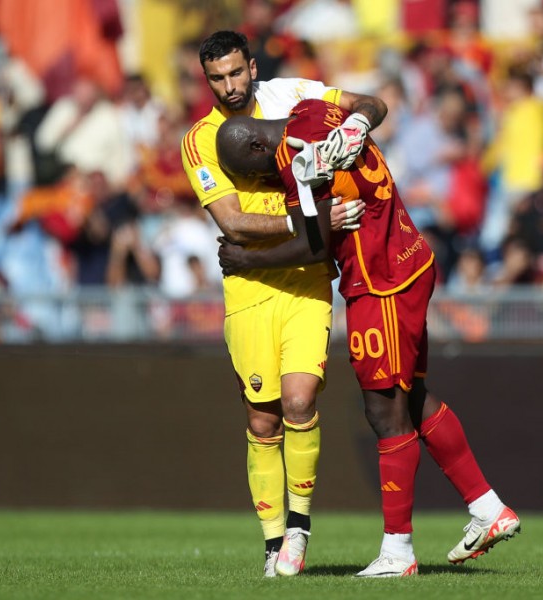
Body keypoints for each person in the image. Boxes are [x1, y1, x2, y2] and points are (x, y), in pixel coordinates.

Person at [215, 98, 520, 578]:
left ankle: (397, 552)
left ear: (257, 144)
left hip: (380, 281)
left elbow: (315, 248)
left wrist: (245, 259)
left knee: (383, 410)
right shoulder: (314, 109)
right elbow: (370, 104)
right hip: (411, 255)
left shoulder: (289, 163)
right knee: (411, 396)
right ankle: (488, 508)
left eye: (252, 172)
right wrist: (358, 120)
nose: (261, 181)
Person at [179, 30, 383, 578]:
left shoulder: (291, 97)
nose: (229, 86)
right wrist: (311, 221)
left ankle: (299, 529)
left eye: (236, 73)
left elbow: (368, 103)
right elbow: (233, 223)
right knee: (262, 419)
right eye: (217, 78)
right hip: (249, 292)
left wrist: (359, 122)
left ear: (251, 65)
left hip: (307, 278)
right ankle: (272, 544)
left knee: (299, 402)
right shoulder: (200, 140)